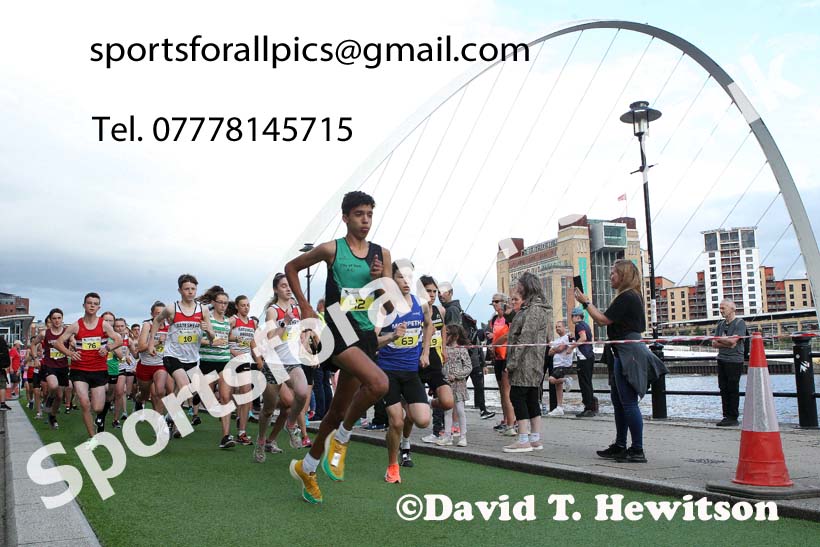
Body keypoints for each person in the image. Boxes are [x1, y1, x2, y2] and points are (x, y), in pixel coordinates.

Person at [286, 190, 391, 505]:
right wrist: (305, 306)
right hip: (338, 327)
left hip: (366, 332)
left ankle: (307, 468)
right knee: (379, 383)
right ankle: (342, 439)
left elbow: (386, 306)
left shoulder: (382, 254)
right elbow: (291, 267)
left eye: (369, 214)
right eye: (359, 214)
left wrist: (380, 282)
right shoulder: (331, 249)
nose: (365, 221)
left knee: (336, 411)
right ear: (345, 217)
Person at [574, 259, 668, 463]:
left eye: (613, 273)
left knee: (628, 402)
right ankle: (620, 445)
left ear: (623, 275)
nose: (610, 276)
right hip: (622, 351)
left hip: (628, 352)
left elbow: (602, 320)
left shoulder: (627, 297)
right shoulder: (631, 296)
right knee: (619, 401)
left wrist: (585, 302)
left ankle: (637, 449)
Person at [374, 263, 433, 483]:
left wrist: (425, 352)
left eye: (409, 276)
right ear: (392, 280)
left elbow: (429, 325)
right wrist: (391, 337)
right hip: (388, 371)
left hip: (410, 372)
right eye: (400, 277)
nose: (406, 281)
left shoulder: (421, 304)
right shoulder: (385, 307)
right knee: (396, 421)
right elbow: (372, 342)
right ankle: (392, 465)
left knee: (422, 420)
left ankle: (402, 442)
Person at [149, 274, 218, 438]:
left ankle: (170, 418)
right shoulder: (172, 308)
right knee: (185, 386)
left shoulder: (203, 309)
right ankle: (176, 422)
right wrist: (151, 343)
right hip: (172, 355)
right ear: (180, 290)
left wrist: (208, 330)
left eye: (193, 289)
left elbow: (212, 337)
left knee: (183, 391)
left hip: (192, 358)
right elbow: (157, 321)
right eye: (187, 289)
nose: (190, 292)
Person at [54, 292, 123, 444]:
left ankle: (94, 416)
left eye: (95, 303)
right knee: (85, 403)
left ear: (99, 307)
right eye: (89, 303)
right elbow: (58, 342)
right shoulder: (76, 325)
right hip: (80, 370)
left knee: (97, 407)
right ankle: (93, 437)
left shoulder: (103, 324)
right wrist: (70, 353)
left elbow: (119, 340)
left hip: (98, 370)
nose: (92, 305)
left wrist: (108, 348)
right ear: (84, 305)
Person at [503, 273, 550, 453]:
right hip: (533, 360)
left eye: (519, 285)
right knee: (531, 398)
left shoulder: (534, 309)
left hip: (526, 362)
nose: (517, 287)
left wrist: (512, 362)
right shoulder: (534, 307)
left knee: (518, 396)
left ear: (526, 286)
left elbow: (526, 337)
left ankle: (523, 438)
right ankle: (535, 438)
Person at [416, 275, 454, 447]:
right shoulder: (414, 310)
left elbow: (443, 328)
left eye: (434, 291)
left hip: (435, 360)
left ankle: (430, 408)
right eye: (428, 291)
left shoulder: (440, 310)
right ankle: (405, 442)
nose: (432, 295)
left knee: (447, 401)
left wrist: (444, 348)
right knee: (412, 413)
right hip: (417, 361)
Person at [197, 287, 236, 448]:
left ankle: (226, 437)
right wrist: (212, 341)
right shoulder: (206, 320)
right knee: (208, 401)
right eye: (220, 302)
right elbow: (197, 340)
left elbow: (227, 339)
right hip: (206, 361)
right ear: (213, 303)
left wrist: (234, 340)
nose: (223, 306)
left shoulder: (227, 321)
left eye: (225, 303)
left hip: (224, 361)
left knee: (226, 397)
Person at [712, 299, 747, 427]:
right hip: (722, 359)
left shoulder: (740, 323)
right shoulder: (720, 324)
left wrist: (722, 341)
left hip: (734, 360)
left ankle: (733, 416)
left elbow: (733, 341)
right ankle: (726, 415)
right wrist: (727, 342)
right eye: (720, 308)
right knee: (723, 387)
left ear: (732, 308)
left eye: (723, 308)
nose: (721, 311)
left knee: (732, 388)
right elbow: (714, 343)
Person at [228, 295, 257, 445]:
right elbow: (222, 338)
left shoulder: (252, 322)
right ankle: (234, 424)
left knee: (246, 392)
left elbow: (252, 342)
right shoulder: (232, 320)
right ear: (237, 307)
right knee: (232, 394)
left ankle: (242, 431)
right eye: (243, 305)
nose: (246, 308)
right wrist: (233, 352)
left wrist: (258, 358)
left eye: (248, 305)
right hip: (231, 360)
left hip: (246, 360)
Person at [135, 302, 170, 420]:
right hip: (145, 365)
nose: (161, 316)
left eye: (163, 313)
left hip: (160, 364)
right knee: (144, 395)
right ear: (152, 314)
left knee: (160, 391)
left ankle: (159, 421)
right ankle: (139, 400)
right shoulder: (147, 325)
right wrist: (157, 342)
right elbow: (140, 348)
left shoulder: (169, 326)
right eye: (157, 313)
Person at [440, 324, 473, 447]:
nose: (445, 337)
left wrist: (456, 375)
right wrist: (444, 375)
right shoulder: (443, 349)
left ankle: (463, 436)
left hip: (459, 385)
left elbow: (468, 367)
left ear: (455, 336)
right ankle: (447, 436)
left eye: (448, 334)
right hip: (447, 385)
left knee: (460, 410)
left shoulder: (462, 350)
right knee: (447, 411)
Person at [488, 293, 516, 436]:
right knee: (501, 391)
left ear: (504, 302)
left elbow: (509, 335)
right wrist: (492, 343)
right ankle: (506, 419)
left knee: (507, 391)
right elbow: (495, 334)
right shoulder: (494, 319)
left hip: (507, 356)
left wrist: (495, 343)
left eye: (497, 301)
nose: (494, 304)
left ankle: (512, 423)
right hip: (498, 357)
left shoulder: (508, 318)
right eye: (492, 302)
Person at [41, 309, 70, 428]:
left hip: (63, 366)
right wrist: (35, 356)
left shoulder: (67, 332)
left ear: (62, 319)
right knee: (53, 386)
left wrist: (73, 346)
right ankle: (49, 398)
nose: (57, 320)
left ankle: (52, 416)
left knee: (60, 396)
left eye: (59, 318)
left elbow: (74, 342)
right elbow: (33, 344)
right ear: (50, 320)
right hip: (49, 365)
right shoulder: (45, 333)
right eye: (54, 318)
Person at [571, 307, 596, 417]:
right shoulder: (586, 325)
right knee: (588, 382)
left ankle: (588, 407)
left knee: (584, 383)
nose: (572, 318)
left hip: (584, 357)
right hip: (589, 356)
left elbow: (583, 338)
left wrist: (571, 347)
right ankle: (591, 406)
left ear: (577, 316)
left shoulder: (579, 325)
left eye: (572, 316)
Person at [546, 320, 574, 417]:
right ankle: (559, 407)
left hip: (563, 364)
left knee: (551, 379)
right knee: (558, 386)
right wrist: (555, 348)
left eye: (559, 326)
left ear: (564, 327)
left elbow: (561, 348)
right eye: (556, 327)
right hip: (557, 365)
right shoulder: (557, 340)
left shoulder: (567, 337)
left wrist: (555, 348)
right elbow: (550, 353)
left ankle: (567, 380)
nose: (557, 328)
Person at [0, 337, 11, 410]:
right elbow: (7, 360)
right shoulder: (4, 347)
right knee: (2, 386)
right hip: (1, 369)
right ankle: (2, 404)